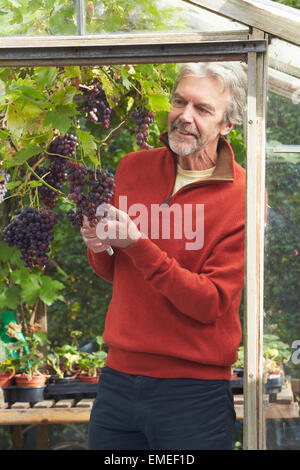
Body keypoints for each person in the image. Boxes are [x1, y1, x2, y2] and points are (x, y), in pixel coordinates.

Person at [81, 61, 248, 450]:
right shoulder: (132, 167)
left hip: (194, 395)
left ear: (228, 125)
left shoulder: (242, 194)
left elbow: (210, 302)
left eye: (202, 109)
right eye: (179, 102)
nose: (184, 117)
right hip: (118, 383)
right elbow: (118, 273)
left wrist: (138, 243)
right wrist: (99, 246)